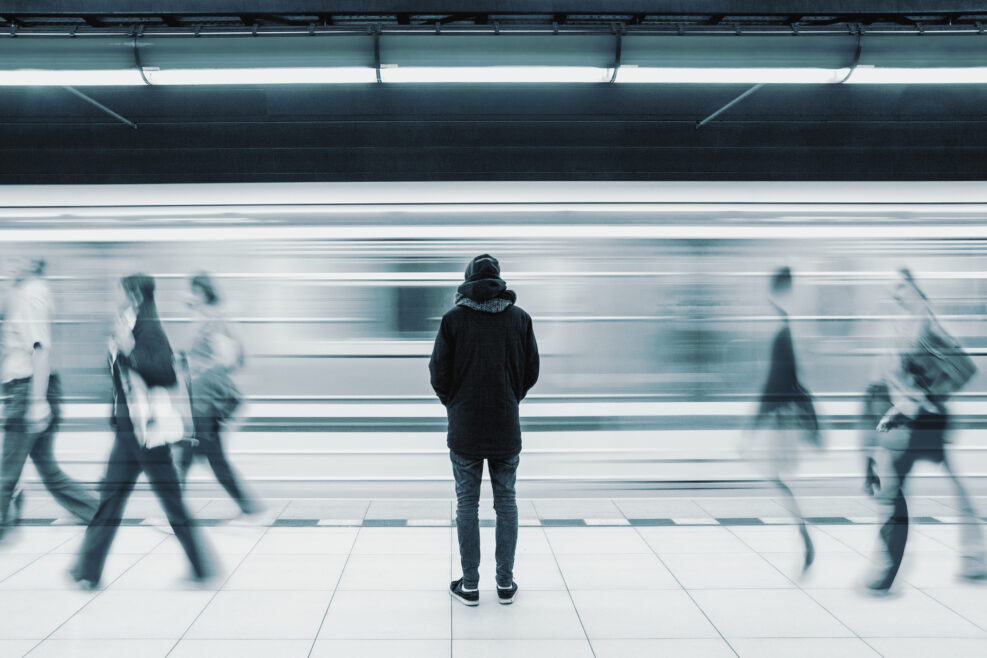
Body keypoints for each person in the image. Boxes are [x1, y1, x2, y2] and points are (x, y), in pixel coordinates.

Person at [71, 274, 210, 589]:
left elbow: (165, 373)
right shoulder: (125, 326)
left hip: (148, 432)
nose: (115, 296)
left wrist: (130, 350)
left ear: (133, 294)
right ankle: (87, 571)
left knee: (171, 501)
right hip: (128, 428)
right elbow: (119, 379)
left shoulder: (149, 330)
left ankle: (201, 565)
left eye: (120, 291)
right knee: (111, 499)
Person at [863, 268, 985, 594]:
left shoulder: (926, 326)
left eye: (901, 287)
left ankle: (889, 570)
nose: (897, 294)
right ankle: (976, 557)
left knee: (893, 491)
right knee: (945, 487)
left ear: (916, 287)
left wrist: (925, 400)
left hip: (923, 421)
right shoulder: (912, 325)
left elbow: (963, 368)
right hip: (918, 418)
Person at [430, 254, 539, 607]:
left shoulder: (453, 320)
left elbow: (438, 373)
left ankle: (471, 585)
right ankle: (505, 584)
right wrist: (510, 396)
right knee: (506, 502)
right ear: (499, 281)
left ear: (467, 281)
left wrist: (456, 403)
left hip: (465, 428)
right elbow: (531, 370)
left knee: (467, 504)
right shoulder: (519, 319)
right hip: (506, 424)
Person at [0, 258, 97, 539]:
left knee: (7, 471)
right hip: (26, 389)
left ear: (30, 268)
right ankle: (96, 512)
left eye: (14, 264)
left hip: (29, 390)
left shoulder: (31, 295)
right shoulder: (25, 295)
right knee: (46, 468)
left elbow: (40, 349)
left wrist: (37, 401)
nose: (9, 268)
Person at [747, 267, 820, 573]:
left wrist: (753, 424)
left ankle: (804, 535)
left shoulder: (783, 330)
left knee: (776, 475)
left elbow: (777, 381)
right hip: (786, 415)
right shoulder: (785, 327)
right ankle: (802, 533)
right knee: (776, 476)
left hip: (781, 418)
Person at [176, 273, 257, 518]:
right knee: (191, 456)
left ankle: (251, 509)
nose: (188, 295)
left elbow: (226, 359)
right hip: (199, 400)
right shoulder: (203, 320)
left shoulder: (213, 321)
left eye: (192, 291)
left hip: (206, 402)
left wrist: (197, 365)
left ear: (202, 293)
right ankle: (176, 509)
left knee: (207, 459)